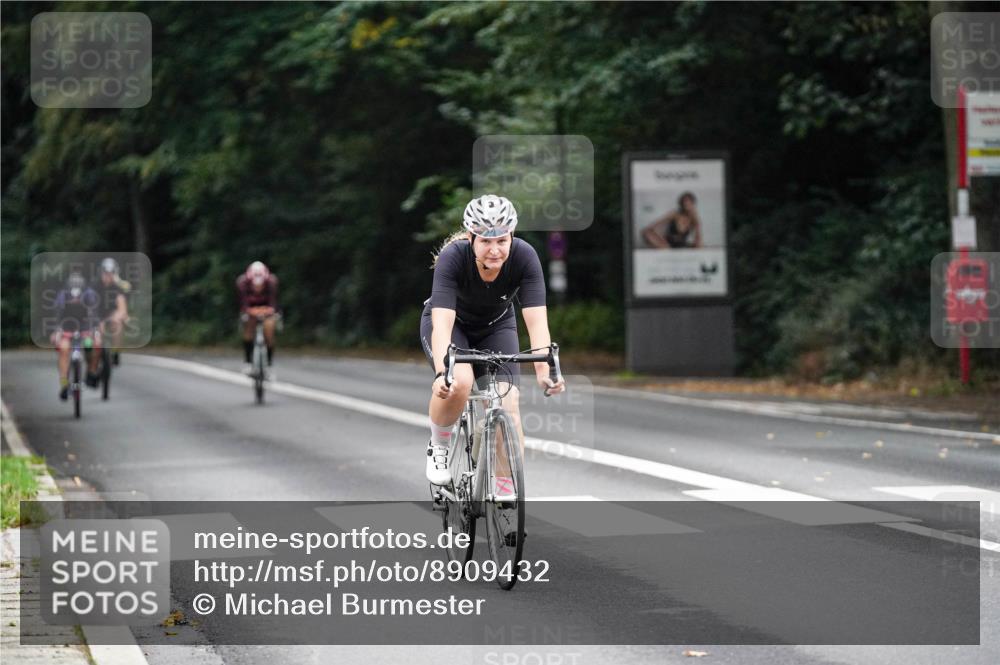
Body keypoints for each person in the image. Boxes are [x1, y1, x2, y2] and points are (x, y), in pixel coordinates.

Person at [419, 194, 566, 494]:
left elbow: (537, 324)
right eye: (486, 241)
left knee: (507, 402)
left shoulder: (525, 257)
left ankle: (503, 487)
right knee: (459, 383)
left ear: (512, 236)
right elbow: (443, 323)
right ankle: (439, 446)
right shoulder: (453, 257)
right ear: (471, 238)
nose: (495, 250)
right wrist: (440, 373)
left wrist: (544, 371)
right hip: (453, 325)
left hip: (496, 326)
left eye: (501, 240)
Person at [51, 272, 101, 400]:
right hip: (67, 327)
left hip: (85, 327)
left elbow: (94, 314)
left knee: (92, 345)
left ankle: (91, 372)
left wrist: (95, 331)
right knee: (63, 349)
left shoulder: (89, 294)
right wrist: (56, 331)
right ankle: (64, 384)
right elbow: (57, 314)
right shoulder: (63, 295)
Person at [236, 261, 279, 378]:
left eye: (260, 285)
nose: (258, 288)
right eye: (255, 285)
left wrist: (266, 311)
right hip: (250, 311)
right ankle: (248, 362)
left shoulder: (271, 282)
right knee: (248, 328)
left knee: (269, 330)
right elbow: (243, 305)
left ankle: (269, 365)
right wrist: (252, 311)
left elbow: (273, 304)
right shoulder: (242, 283)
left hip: (266, 310)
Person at [96, 257, 130, 366]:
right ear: (101, 272)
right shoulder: (94, 285)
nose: (108, 276)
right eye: (106, 273)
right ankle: (98, 352)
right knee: (97, 330)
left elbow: (122, 306)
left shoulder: (118, 287)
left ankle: (115, 352)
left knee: (118, 324)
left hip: (111, 313)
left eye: (111, 273)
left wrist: (120, 316)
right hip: (96, 314)